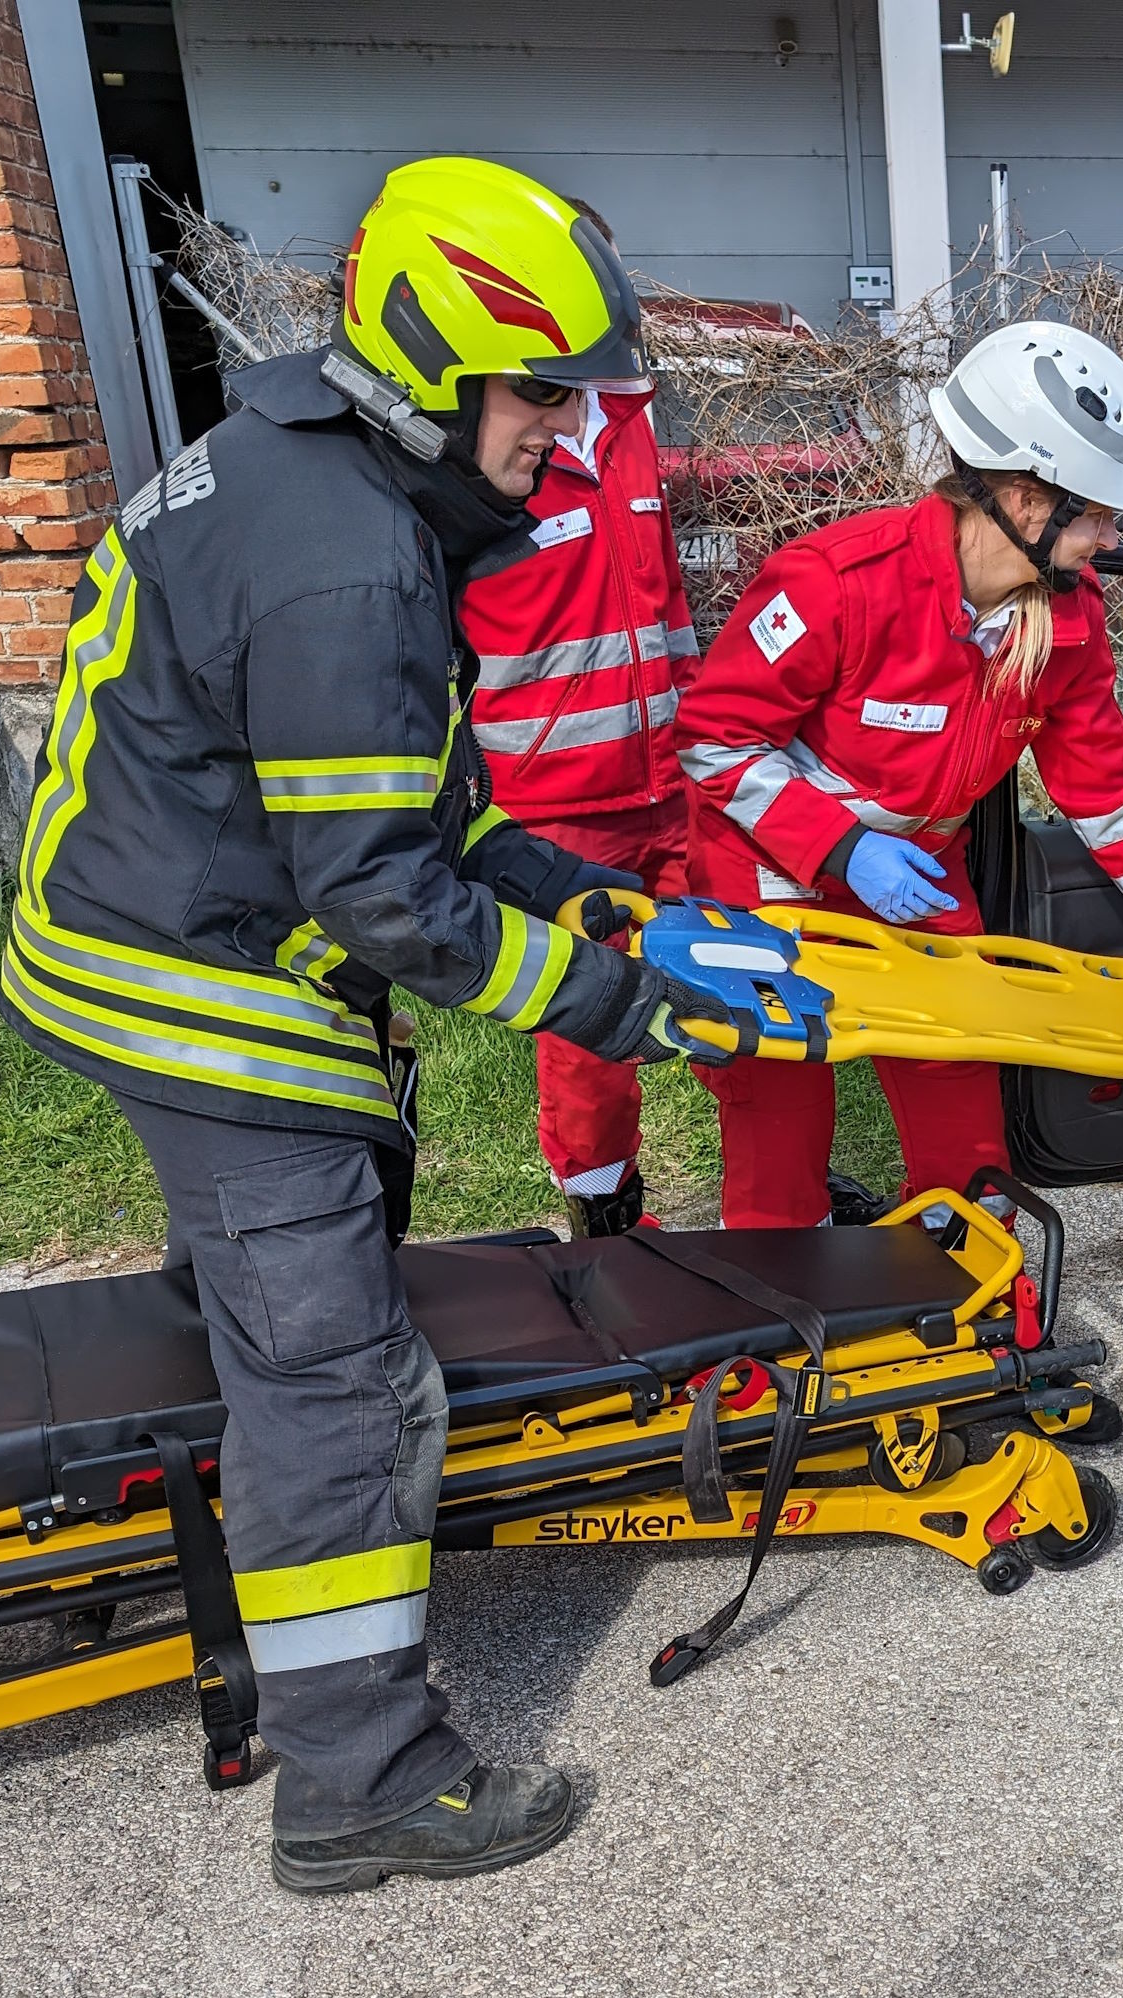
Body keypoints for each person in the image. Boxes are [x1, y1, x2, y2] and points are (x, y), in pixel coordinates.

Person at [0, 157, 741, 1892]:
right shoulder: (354, 570)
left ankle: (241, 1459)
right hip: (186, 975)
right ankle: (359, 1778)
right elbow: (388, 904)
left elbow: (415, 813)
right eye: (541, 395)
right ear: (435, 366)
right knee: (343, 1375)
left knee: (272, 1314)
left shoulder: (309, 481)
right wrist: (618, 999)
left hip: (131, 921)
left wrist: (586, 890)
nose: (561, 434)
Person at [675, 320, 1123, 1229]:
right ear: (1022, 499)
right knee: (779, 1117)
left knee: (962, 1113)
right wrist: (842, 848)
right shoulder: (837, 584)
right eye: (1092, 512)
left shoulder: (1068, 624)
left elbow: (1105, 793)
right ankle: (778, 1313)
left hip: (920, 879)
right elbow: (715, 741)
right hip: (772, 878)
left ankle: (958, 1297)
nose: (1109, 535)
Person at [457, 198, 702, 1239]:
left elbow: (663, 607)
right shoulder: (482, 437)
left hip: (677, 786)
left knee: (729, 973)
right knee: (587, 1018)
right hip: (556, 807)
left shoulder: (633, 423)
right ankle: (603, 1209)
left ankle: (774, 1189)